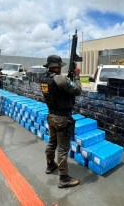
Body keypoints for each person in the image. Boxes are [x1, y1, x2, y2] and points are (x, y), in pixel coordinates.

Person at [40, 55, 82, 188]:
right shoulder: (60, 79)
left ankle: (50, 165)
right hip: (62, 118)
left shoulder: (44, 79)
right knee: (63, 149)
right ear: (58, 67)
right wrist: (77, 76)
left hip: (51, 116)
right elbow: (78, 90)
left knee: (52, 143)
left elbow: (58, 91)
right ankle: (64, 178)